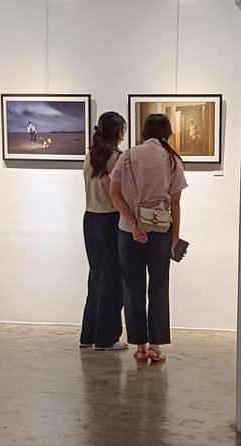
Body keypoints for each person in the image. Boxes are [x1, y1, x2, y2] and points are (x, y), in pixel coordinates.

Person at [109, 113, 187, 362]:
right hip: (161, 231)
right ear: (168, 133)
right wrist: (175, 238)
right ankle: (155, 345)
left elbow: (115, 194)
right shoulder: (173, 159)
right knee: (159, 288)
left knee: (132, 288)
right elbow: (175, 203)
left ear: (143, 133)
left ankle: (140, 346)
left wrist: (133, 223)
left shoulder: (129, 155)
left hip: (128, 231)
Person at [79, 112, 128, 351]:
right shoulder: (118, 158)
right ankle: (106, 338)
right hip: (111, 221)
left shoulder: (90, 155)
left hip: (90, 219)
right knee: (111, 281)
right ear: (119, 132)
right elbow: (121, 194)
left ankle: (88, 335)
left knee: (96, 277)